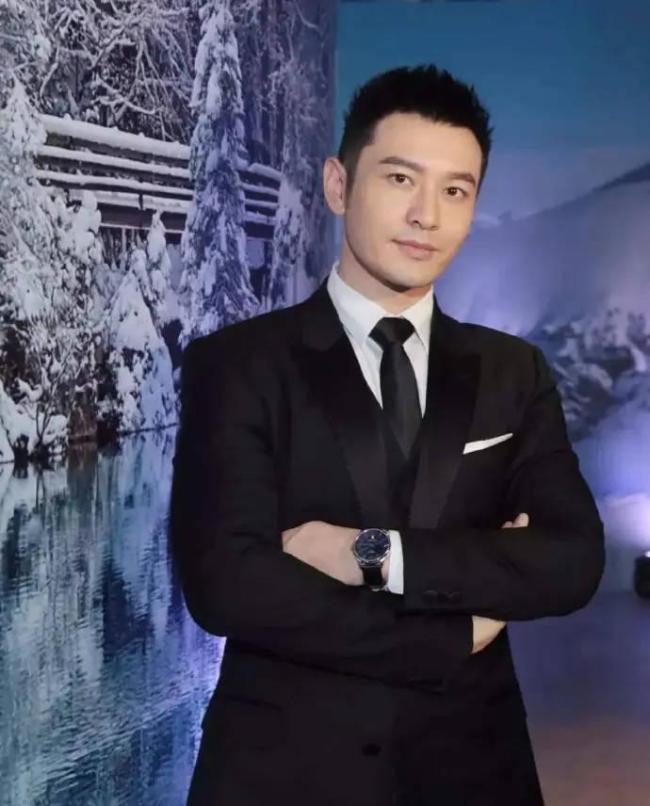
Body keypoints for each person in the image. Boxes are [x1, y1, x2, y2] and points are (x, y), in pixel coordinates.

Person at [169, 64, 605, 806]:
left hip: (474, 770)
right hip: (285, 775)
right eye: (400, 179)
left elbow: (571, 559)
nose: (426, 216)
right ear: (338, 185)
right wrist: (451, 632)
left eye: (456, 191)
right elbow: (227, 584)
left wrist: (370, 554)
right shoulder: (238, 364)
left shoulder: (513, 371)